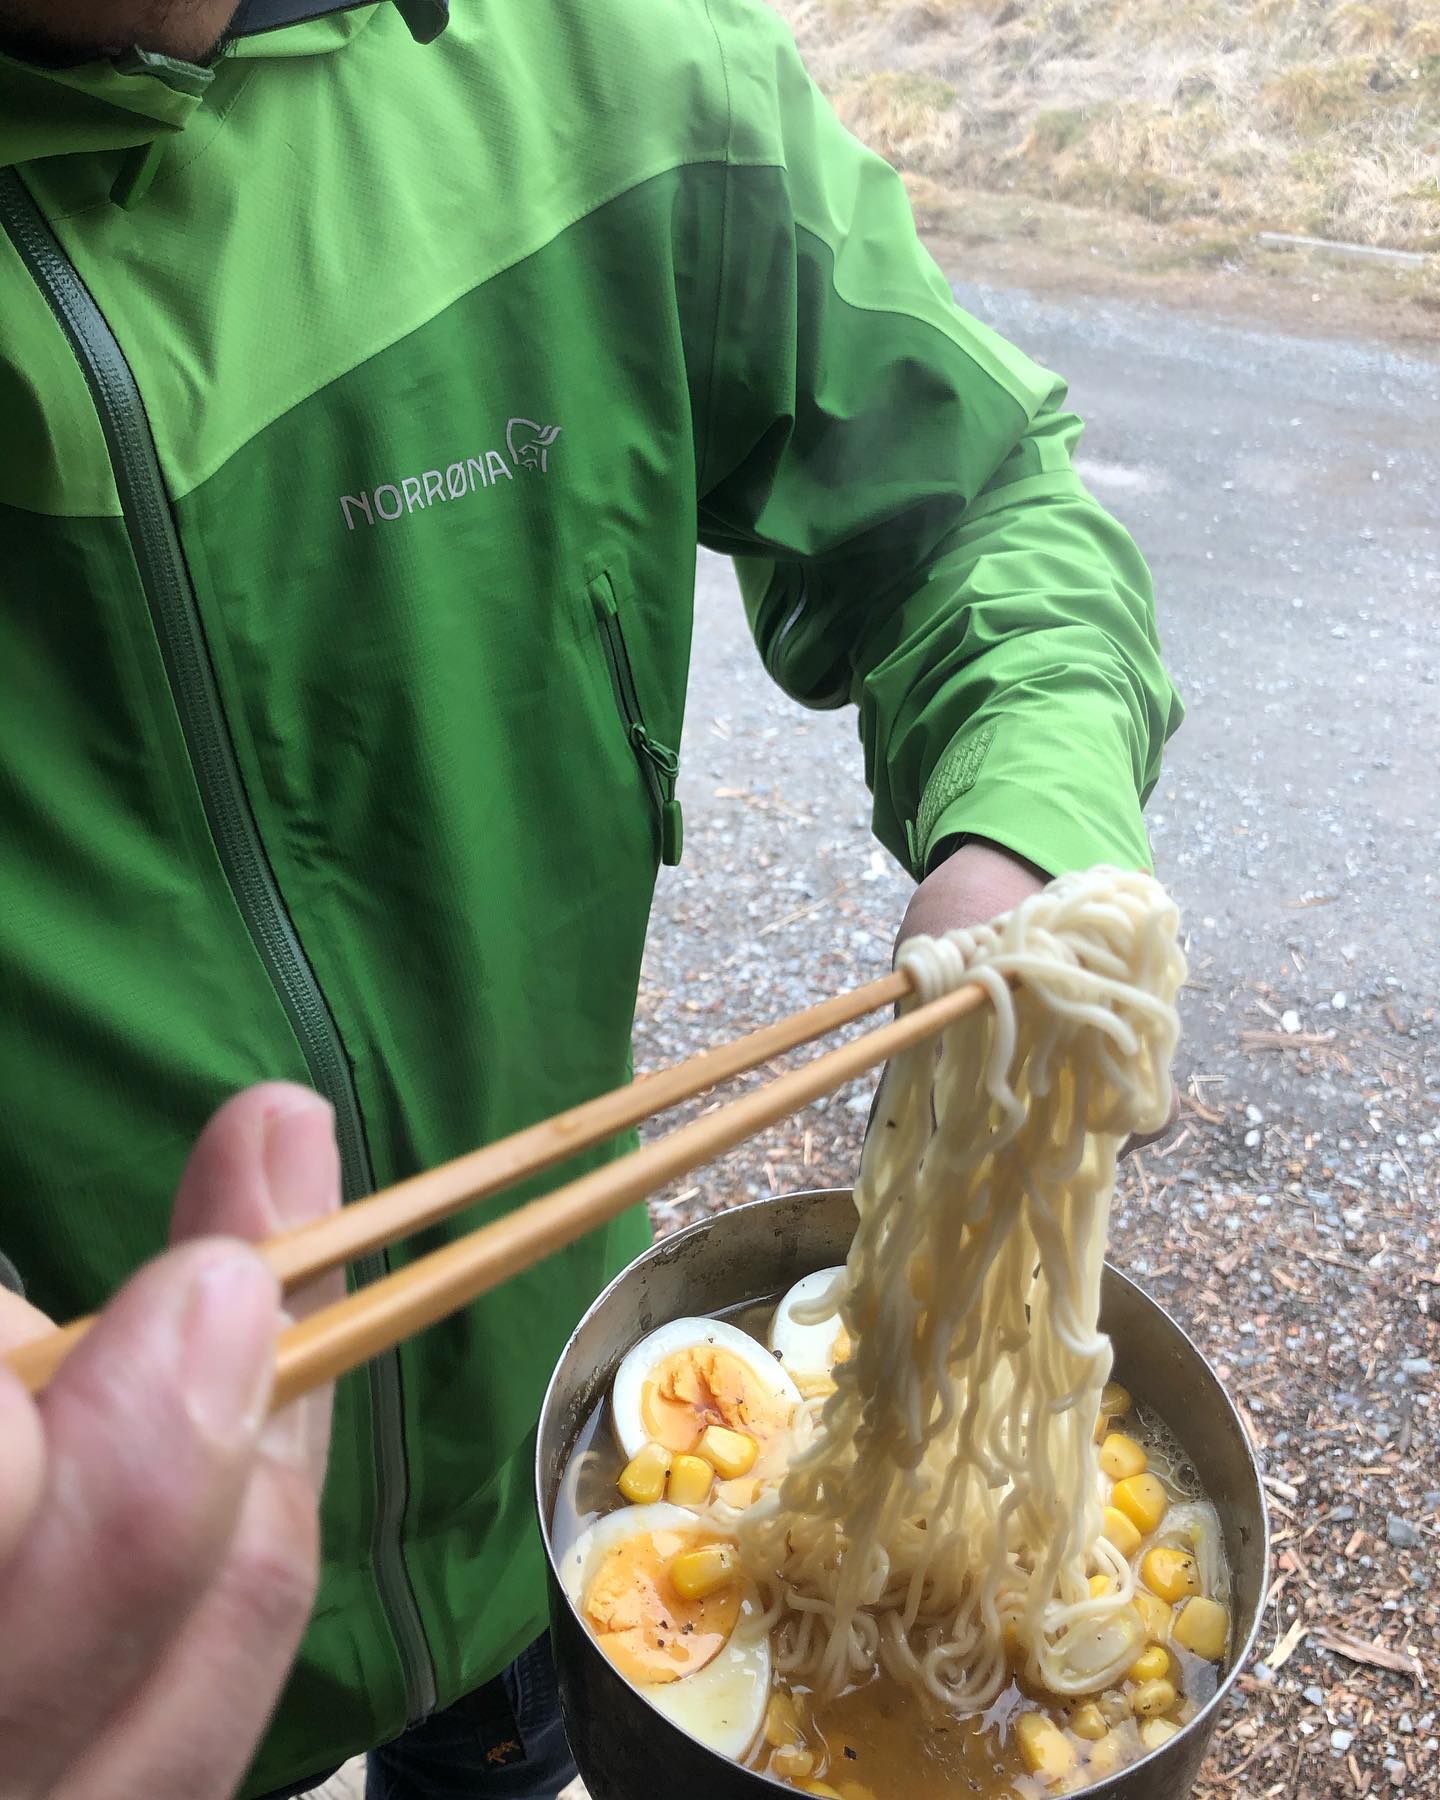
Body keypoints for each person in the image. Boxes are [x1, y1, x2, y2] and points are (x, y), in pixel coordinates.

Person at [0, 0, 1182, 1791]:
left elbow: (982, 511)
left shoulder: (604, 55)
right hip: (66, 1557)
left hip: (544, 1481)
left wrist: (1022, 845)